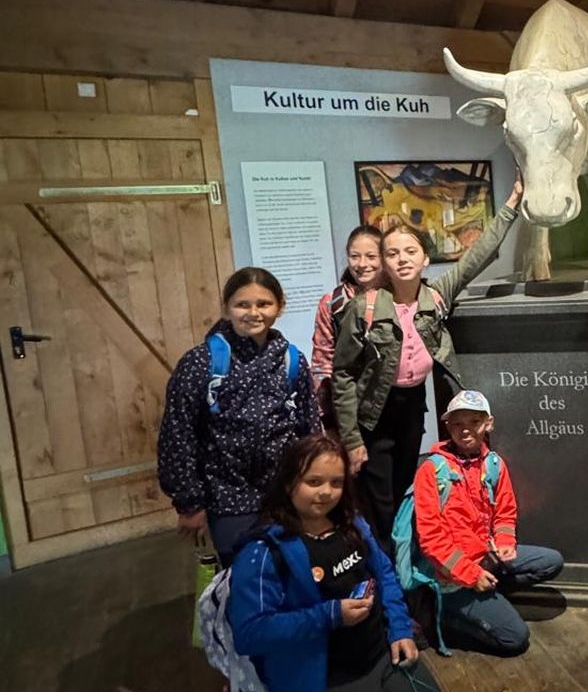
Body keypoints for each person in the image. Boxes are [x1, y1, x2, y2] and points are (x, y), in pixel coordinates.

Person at [332, 179, 523, 545]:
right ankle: (385, 573)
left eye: (410, 251)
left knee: (408, 493)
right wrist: (352, 439)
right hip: (374, 414)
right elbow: (343, 376)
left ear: (425, 259)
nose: (402, 259)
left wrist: (512, 203)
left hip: (412, 407)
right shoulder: (364, 307)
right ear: (384, 263)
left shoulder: (435, 296)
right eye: (392, 253)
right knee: (379, 505)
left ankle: (407, 566)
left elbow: (477, 255)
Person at [227, 434, 439, 691]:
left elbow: (384, 573)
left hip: (383, 655)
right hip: (323, 678)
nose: (326, 492)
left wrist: (400, 628)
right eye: (313, 482)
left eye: (336, 482)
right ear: (289, 483)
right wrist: (329, 615)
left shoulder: (352, 524)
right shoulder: (263, 551)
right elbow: (250, 634)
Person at [158, 267, 321, 566]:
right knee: (244, 574)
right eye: (242, 304)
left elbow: (309, 429)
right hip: (227, 498)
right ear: (226, 308)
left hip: (284, 493)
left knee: (293, 568)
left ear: (279, 307)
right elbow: (178, 435)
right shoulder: (200, 363)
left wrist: (314, 484)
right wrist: (189, 503)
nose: (253, 313)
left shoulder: (292, 360)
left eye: (264, 304)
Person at [413, 389, 564, 656]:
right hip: (453, 578)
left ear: (488, 423)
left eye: (474, 421)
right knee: (515, 639)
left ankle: (490, 594)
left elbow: (505, 512)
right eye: (457, 423)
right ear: (448, 426)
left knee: (551, 561)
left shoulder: (494, 464)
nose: (465, 430)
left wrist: (505, 542)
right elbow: (431, 540)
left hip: (488, 558)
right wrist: (471, 575)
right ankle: (444, 614)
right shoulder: (431, 471)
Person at [313, 225, 384, 430]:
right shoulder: (332, 303)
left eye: (371, 256)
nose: (362, 264)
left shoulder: (397, 297)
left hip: (393, 401)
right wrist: (327, 418)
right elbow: (322, 363)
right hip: (349, 408)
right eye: (355, 256)